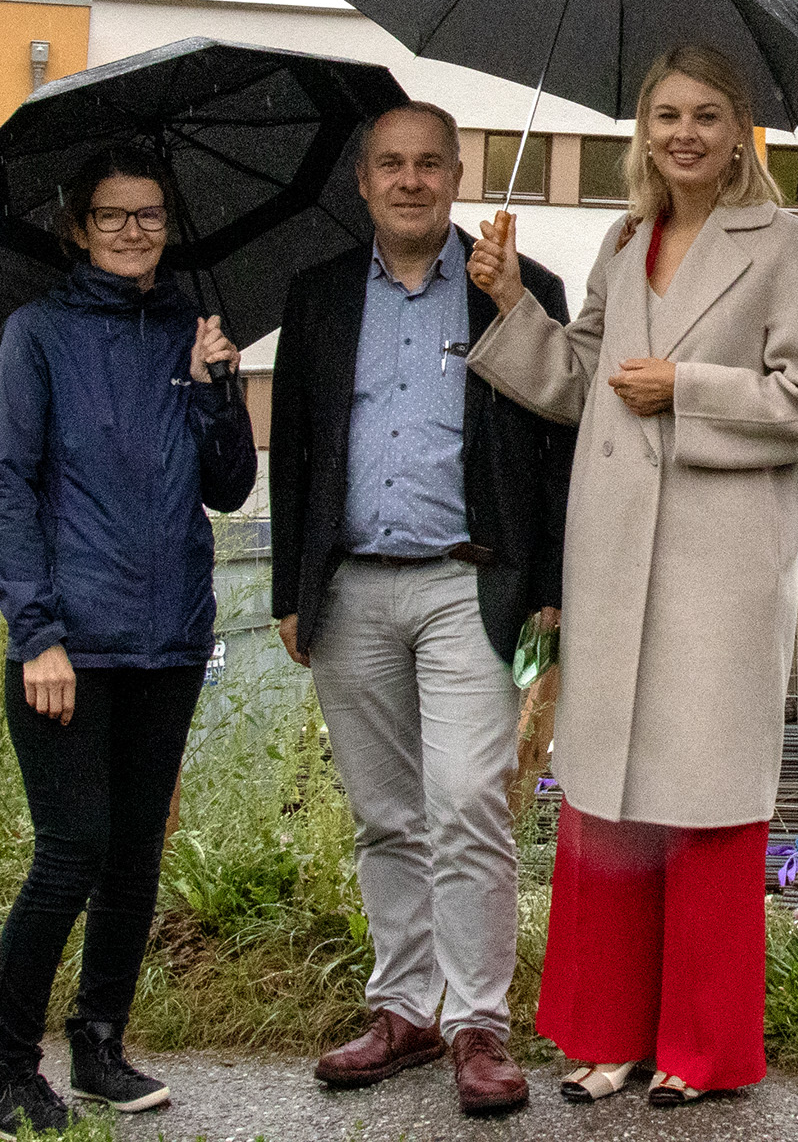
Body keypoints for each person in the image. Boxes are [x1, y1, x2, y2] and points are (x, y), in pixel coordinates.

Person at [466, 43, 798, 1107]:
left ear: (740, 136)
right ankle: (608, 1034)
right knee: (608, 801)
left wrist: (688, 384)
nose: (684, 131)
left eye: (707, 116)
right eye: (666, 113)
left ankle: (701, 1045)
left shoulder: (786, 247)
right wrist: (508, 303)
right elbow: (584, 379)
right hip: (615, 550)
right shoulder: (624, 237)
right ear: (645, 128)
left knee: (708, 803)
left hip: (716, 565)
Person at [269, 101, 576, 1117]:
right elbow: (298, 453)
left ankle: (478, 1021)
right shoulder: (315, 297)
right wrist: (287, 592)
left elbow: (551, 444)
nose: (410, 179)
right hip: (348, 585)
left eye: (429, 163)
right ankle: (402, 1007)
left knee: (467, 799)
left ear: (457, 174)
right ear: (363, 182)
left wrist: (549, 591)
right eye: (391, 164)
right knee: (385, 812)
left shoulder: (516, 290)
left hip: (467, 583)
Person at [0, 143, 259, 1140]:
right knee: (70, 852)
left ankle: (98, 1046)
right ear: (77, 227)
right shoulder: (36, 334)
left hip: (168, 638)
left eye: (148, 214)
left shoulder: (190, 328)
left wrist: (218, 387)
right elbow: (3, 492)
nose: (133, 230)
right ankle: (5, 1069)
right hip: (68, 647)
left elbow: (229, 486)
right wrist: (37, 633)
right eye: (111, 214)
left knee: (134, 856)